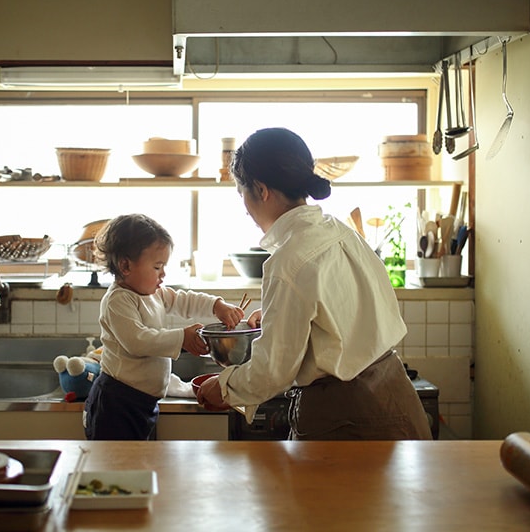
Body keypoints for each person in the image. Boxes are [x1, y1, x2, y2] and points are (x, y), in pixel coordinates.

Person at [196, 127, 433, 441]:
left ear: (261, 190)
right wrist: (278, 321)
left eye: (242, 193)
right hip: (395, 397)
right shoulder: (338, 230)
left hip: (349, 419)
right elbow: (347, 314)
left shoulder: (287, 262)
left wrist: (224, 387)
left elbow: (272, 373)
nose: (245, 207)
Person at [84, 213, 245, 440]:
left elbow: (183, 300)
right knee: (116, 466)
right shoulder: (118, 300)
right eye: (157, 267)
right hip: (117, 403)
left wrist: (217, 305)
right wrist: (182, 339)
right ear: (125, 266)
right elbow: (137, 341)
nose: (163, 274)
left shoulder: (153, 293)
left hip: (143, 402)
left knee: (137, 465)